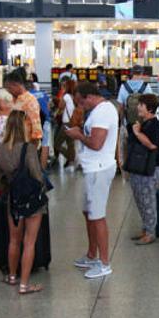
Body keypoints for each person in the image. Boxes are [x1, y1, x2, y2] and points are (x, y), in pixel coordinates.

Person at [64, 82, 119, 279]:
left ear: (89, 97)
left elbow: (97, 143)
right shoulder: (98, 111)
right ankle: (91, 255)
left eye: (81, 102)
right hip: (92, 168)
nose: (81, 106)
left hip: (99, 168)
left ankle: (104, 263)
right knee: (88, 213)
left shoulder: (104, 112)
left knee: (97, 216)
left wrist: (78, 135)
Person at [0, 110, 49, 294]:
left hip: (13, 200)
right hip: (31, 201)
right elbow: (38, 175)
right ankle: (24, 285)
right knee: (29, 242)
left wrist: (9, 187)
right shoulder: (28, 148)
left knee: (14, 241)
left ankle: (12, 276)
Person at [126, 93, 159, 245]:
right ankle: (146, 228)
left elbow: (151, 145)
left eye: (141, 105)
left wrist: (137, 132)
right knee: (140, 198)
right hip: (142, 167)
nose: (138, 107)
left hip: (152, 166)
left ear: (149, 108)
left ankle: (150, 232)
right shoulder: (144, 122)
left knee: (147, 199)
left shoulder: (154, 124)